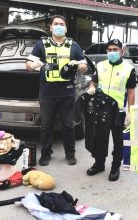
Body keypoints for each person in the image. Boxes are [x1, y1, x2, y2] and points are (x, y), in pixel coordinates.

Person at [26, 15, 87, 166]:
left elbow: (84, 66)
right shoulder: (41, 44)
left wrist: (78, 66)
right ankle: (46, 154)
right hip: (47, 92)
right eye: (56, 24)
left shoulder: (74, 45)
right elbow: (27, 64)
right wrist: (32, 65)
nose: (59, 26)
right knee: (47, 125)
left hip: (67, 91)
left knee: (68, 125)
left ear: (65, 28)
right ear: (51, 27)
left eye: (62, 24)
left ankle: (70, 154)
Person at [86, 39, 136, 181]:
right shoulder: (100, 65)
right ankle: (99, 163)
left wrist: (130, 112)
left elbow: (131, 92)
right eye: (109, 50)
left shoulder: (128, 68)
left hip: (118, 110)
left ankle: (115, 167)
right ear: (106, 51)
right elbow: (94, 81)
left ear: (122, 51)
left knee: (117, 141)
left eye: (115, 49)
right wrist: (91, 87)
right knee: (100, 139)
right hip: (101, 108)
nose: (112, 52)